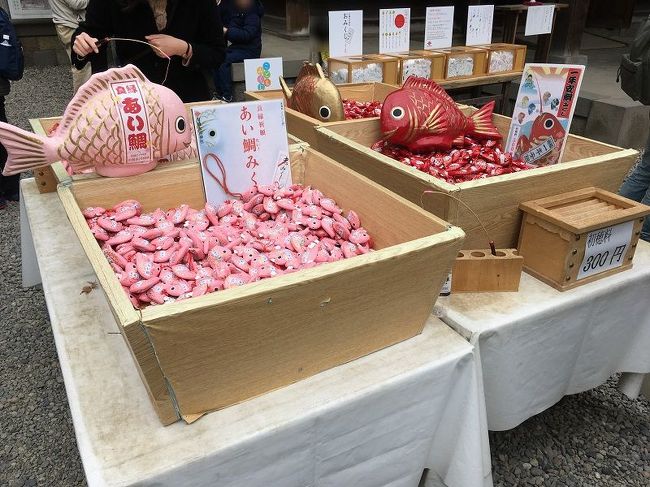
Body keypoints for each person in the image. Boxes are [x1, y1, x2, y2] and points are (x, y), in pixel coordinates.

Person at [71, 0, 226, 102]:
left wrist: (183, 48)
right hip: (134, 102)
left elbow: (217, 52)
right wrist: (81, 44)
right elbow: (90, 32)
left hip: (187, 97)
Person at [214, 0, 263, 102]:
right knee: (217, 56)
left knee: (224, 60)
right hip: (237, 47)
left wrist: (227, 31)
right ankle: (219, 93)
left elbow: (247, 35)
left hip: (251, 50)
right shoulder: (236, 11)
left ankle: (227, 95)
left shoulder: (253, 14)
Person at [48, 0, 92, 93]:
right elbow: (77, 3)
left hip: (68, 23)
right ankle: (83, 101)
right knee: (82, 65)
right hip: (70, 25)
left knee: (83, 63)